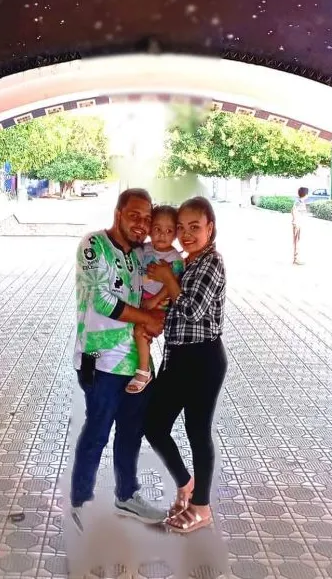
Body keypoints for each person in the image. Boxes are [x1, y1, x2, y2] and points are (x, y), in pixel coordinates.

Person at [70, 188, 167, 528]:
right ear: (118, 213)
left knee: (131, 432)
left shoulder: (140, 256)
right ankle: (81, 502)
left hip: (135, 364)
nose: (141, 224)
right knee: (97, 431)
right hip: (100, 361)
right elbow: (103, 301)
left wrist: (158, 310)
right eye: (134, 216)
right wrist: (147, 319)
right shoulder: (94, 246)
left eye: (146, 219)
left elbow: (151, 292)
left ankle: (126, 496)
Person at [144, 196, 227, 534]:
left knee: (197, 432)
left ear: (211, 228)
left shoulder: (212, 263)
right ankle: (186, 483)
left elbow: (192, 310)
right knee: (153, 424)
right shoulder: (188, 262)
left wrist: (167, 278)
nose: (187, 234)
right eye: (182, 228)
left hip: (203, 359)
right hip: (178, 358)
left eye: (196, 227)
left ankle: (202, 507)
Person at [126, 205, 184, 394]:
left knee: (140, 330)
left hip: (159, 304)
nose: (162, 235)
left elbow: (172, 284)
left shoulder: (174, 257)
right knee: (135, 329)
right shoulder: (145, 249)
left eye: (169, 231)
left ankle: (144, 370)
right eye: (157, 229)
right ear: (150, 229)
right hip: (142, 301)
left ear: (175, 233)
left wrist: (154, 301)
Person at [291, 186, 309, 265]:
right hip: (297, 223)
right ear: (305, 194)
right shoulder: (298, 202)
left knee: (298, 240)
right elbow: (293, 211)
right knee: (297, 241)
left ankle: (296, 258)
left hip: (299, 223)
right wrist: (295, 221)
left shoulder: (301, 202)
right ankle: (296, 259)